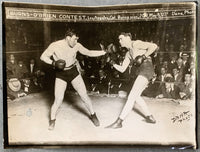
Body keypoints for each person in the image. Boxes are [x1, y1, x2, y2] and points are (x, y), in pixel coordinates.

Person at [40, 29, 106, 130]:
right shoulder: (55, 45)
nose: (76, 42)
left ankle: (93, 115)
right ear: (68, 38)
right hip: (61, 74)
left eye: (77, 39)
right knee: (58, 99)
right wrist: (53, 63)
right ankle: (52, 120)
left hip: (73, 72)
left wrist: (103, 52)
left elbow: (88, 52)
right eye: (75, 39)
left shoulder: (77, 45)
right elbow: (43, 57)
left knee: (84, 95)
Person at [106, 32, 158, 129]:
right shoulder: (128, 53)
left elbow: (154, 46)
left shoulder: (136, 43)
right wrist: (112, 63)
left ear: (127, 38)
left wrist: (143, 56)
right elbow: (122, 69)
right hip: (140, 71)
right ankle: (150, 117)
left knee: (131, 97)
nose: (119, 41)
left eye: (121, 38)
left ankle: (119, 122)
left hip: (147, 68)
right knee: (136, 96)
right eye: (118, 39)